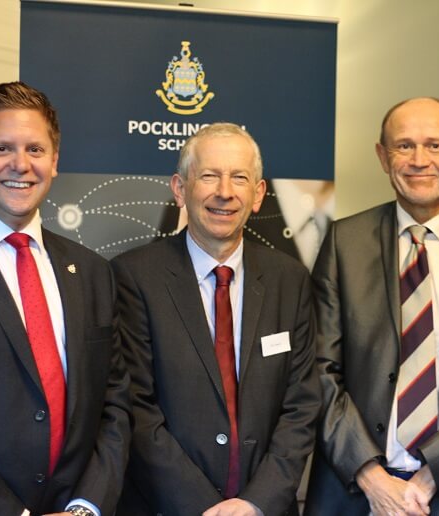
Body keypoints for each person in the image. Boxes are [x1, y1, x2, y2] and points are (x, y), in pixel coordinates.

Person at [304, 97, 439, 515]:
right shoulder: (343, 244)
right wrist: (371, 477)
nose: (419, 160)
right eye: (404, 146)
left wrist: (432, 472)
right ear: (382, 157)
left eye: (435, 145)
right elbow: (317, 370)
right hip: (357, 493)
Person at [0, 82, 131, 516]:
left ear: (55, 162)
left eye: (35, 150)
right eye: (1, 148)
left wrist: (84, 506)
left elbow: (114, 404)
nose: (21, 165)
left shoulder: (92, 271)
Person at [111, 122, 321, 515]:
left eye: (239, 178)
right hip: (167, 507)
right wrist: (205, 507)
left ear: (258, 195)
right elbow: (135, 407)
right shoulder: (134, 278)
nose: (224, 192)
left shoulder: (289, 279)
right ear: (179, 188)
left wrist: (257, 502)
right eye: (209, 176)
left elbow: (302, 404)